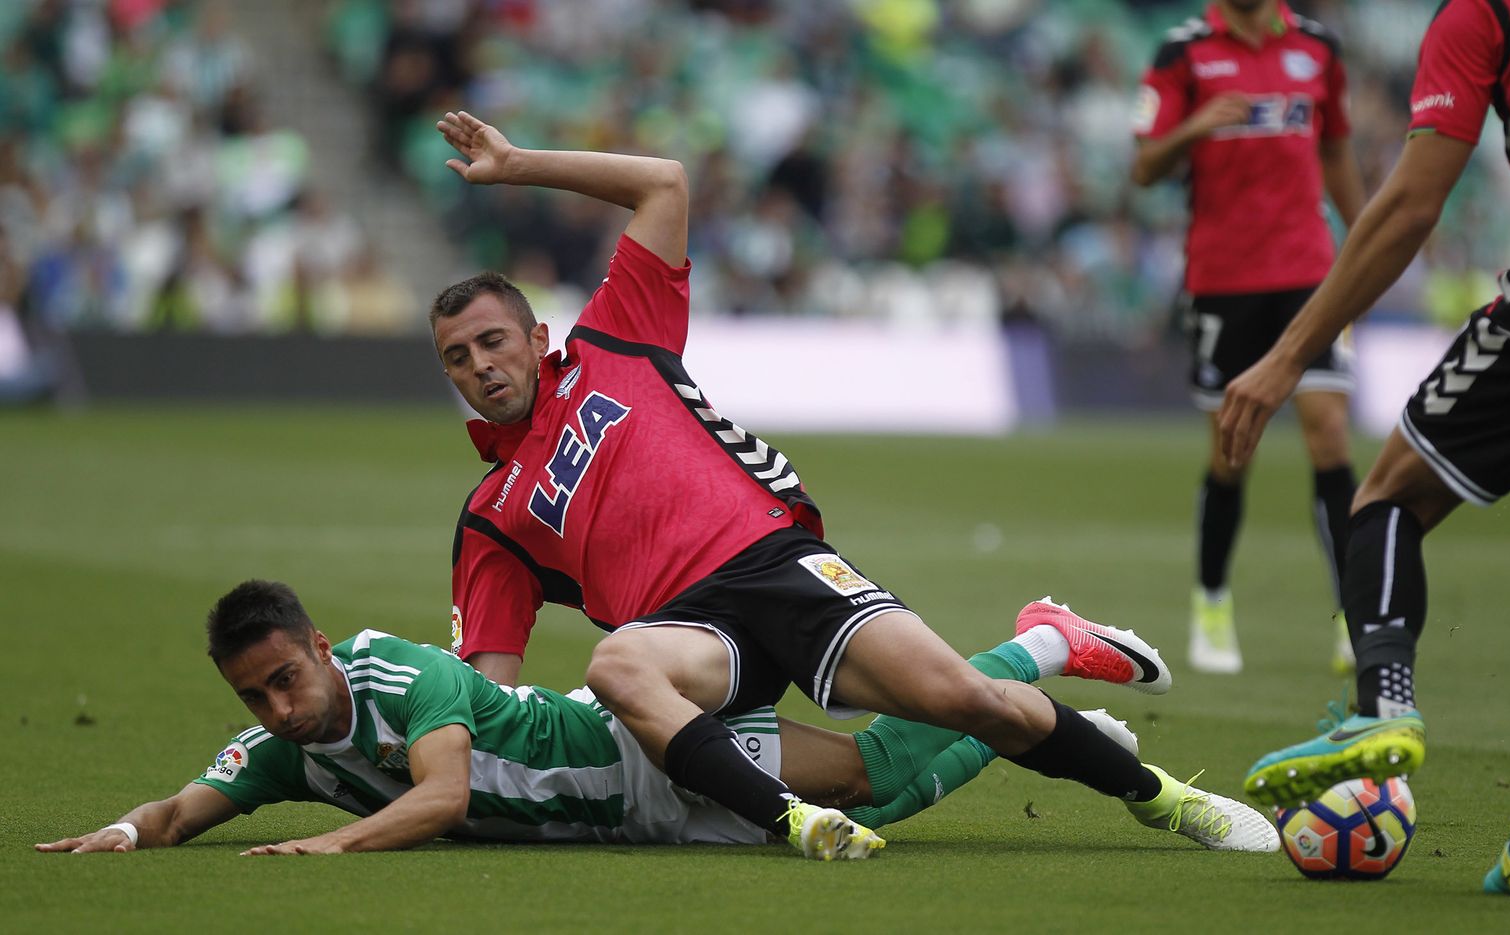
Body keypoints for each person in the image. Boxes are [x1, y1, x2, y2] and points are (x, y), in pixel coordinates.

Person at [429, 109, 1272, 859]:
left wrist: (517, 166)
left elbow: (664, 183)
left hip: (773, 563)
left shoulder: (615, 337)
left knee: (972, 703)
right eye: (459, 358)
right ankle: (796, 824)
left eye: (494, 341)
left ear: (537, 333)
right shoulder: (492, 517)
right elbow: (494, 698)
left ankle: (1166, 799)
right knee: (620, 662)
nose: (482, 366)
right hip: (686, 641)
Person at [1218, 0, 1510, 900]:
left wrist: (1288, 355)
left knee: (1387, 495)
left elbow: (1411, 202)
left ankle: (1382, 706)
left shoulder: (1485, 14)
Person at [36, 580, 1275, 856]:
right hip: (633, 821)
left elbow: (446, 794)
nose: (274, 707)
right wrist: (129, 833)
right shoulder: (279, 743)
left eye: (283, 679)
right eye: (254, 696)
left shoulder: (393, 673)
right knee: (891, 793)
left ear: (316, 647)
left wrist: (330, 842)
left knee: (873, 772)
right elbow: (184, 803)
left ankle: (1041, 644)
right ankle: (1041, 641)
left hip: (632, 739)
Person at [1131, 0, 1366, 674]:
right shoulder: (1182, 52)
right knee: (1233, 450)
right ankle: (1211, 600)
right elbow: (1144, 167)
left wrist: (1371, 236)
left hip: (1311, 274)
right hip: (1224, 278)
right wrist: (1196, 127)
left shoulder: (1319, 48)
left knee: (1329, 435)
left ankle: (1353, 615)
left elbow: (1337, 149)